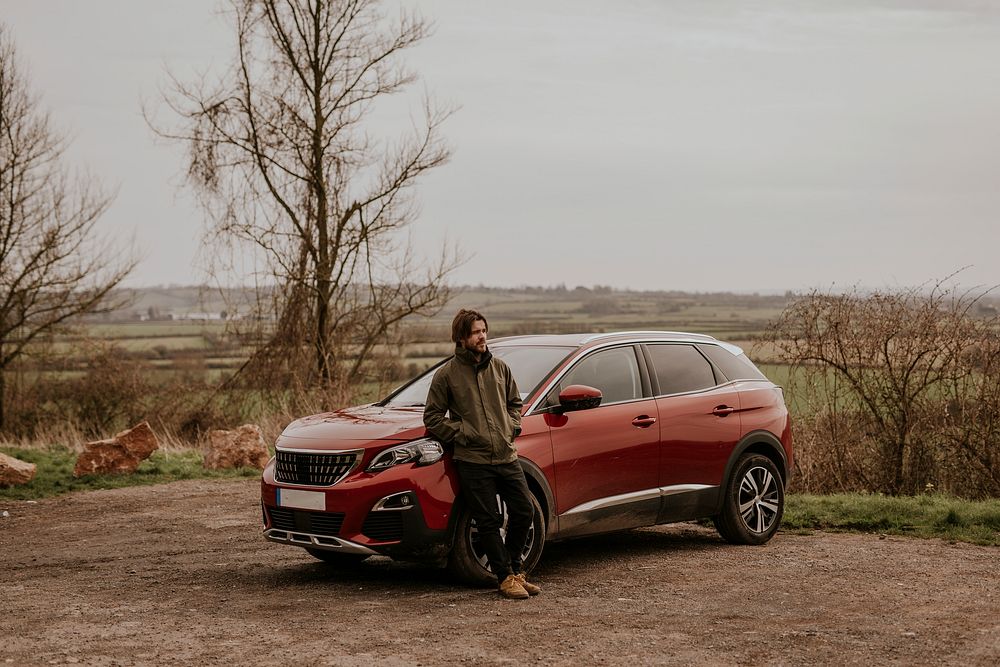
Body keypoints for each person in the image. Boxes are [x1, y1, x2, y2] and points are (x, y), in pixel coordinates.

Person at [423, 308, 541, 599]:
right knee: (487, 520)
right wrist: (464, 433)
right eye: (476, 332)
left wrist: (511, 428)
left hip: (506, 454)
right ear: (461, 338)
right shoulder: (446, 375)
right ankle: (504, 578)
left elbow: (515, 403)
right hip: (472, 460)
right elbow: (433, 417)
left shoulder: (500, 368)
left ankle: (515, 571)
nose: (483, 336)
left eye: (484, 330)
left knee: (524, 510)